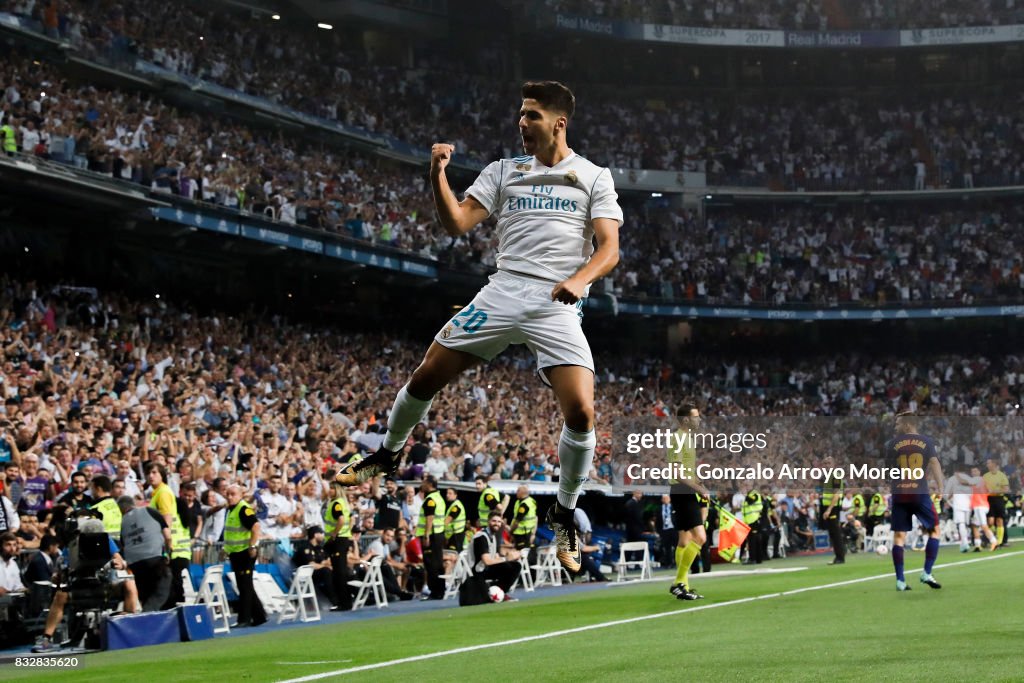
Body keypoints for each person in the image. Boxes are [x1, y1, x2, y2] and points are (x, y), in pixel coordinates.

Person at [334, 80, 623, 575]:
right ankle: (387, 453)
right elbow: (457, 223)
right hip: (503, 290)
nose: (521, 122)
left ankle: (564, 510)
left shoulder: (594, 176)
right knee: (426, 375)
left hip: (557, 301)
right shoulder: (503, 171)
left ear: (558, 122)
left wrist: (579, 280)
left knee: (581, 410)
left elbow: (609, 249)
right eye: (520, 114)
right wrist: (436, 175)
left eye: (531, 115)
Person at [887, 413, 944, 591]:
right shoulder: (926, 442)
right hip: (919, 493)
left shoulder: (891, 444)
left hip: (899, 494)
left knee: (899, 536)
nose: (895, 427)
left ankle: (900, 581)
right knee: (934, 531)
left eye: (897, 423)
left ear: (907, 425)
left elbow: (888, 471)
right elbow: (934, 463)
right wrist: (940, 487)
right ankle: (926, 572)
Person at [667, 403, 708, 600]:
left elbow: (686, 471)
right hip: (682, 491)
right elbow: (675, 472)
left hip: (685, 490)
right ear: (685, 420)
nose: (699, 420)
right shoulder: (678, 438)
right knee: (700, 537)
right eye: (696, 417)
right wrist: (697, 488)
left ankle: (683, 585)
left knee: (685, 540)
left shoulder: (688, 439)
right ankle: (678, 582)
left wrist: (700, 484)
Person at [223, 484, 267, 626]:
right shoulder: (232, 510)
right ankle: (260, 616)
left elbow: (256, 527)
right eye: (228, 494)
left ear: (241, 495)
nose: (230, 497)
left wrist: (252, 546)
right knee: (245, 585)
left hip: (245, 552)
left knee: (244, 586)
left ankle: (244, 619)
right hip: (236, 552)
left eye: (233, 494)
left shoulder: (243, 509)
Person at [118, 496, 172, 611]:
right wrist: (167, 553)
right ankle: (148, 613)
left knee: (146, 593)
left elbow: (123, 544)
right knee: (163, 584)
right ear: (133, 504)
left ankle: (150, 622)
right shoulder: (149, 510)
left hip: (135, 563)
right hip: (154, 557)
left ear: (121, 510)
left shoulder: (123, 522)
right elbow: (167, 535)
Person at [469, 511, 520, 600]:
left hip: (486, 568)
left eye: (499, 522)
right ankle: (495, 592)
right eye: (494, 521)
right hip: (478, 571)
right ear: (488, 521)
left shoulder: (492, 536)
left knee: (515, 566)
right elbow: (487, 561)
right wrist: (506, 558)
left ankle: (499, 592)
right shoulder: (481, 537)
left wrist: (510, 558)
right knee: (510, 566)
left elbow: (496, 557)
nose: (497, 524)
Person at [322, 480, 354, 611]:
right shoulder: (343, 503)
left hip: (337, 541)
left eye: (332, 489)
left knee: (339, 573)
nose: (330, 491)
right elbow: (351, 519)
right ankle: (346, 601)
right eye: (329, 488)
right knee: (341, 571)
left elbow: (341, 519)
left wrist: (334, 534)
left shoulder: (336, 504)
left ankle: (344, 603)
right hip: (343, 538)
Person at [416, 475, 446, 600]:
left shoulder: (430, 500)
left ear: (429, 484)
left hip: (431, 535)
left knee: (431, 565)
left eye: (424, 482)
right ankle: (440, 590)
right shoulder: (439, 497)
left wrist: (426, 535)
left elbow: (429, 518)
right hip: (439, 534)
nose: (422, 485)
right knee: (438, 563)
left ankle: (434, 592)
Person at [293, 526, 335, 605]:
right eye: (321, 533)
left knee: (338, 570)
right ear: (315, 535)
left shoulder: (319, 548)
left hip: (316, 573)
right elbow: (311, 565)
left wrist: (325, 564)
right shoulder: (305, 547)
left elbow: (327, 560)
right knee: (326, 571)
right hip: (305, 575)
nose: (323, 536)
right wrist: (323, 565)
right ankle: (333, 600)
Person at [820, 456, 846, 565]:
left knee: (836, 532)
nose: (827, 465)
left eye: (829, 463)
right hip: (828, 507)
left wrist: (829, 509)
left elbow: (836, 494)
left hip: (833, 508)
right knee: (833, 532)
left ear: (833, 464)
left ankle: (840, 557)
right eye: (825, 463)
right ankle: (839, 555)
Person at [983, 458, 1009, 548]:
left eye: (988, 463)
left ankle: (999, 542)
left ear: (994, 464)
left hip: (998, 499)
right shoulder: (985, 476)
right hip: (988, 499)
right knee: (990, 521)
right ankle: (991, 539)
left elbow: (1006, 489)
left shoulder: (1002, 476)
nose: (987, 465)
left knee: (999, 520)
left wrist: (993, 491)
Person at [508, 484, 537, 551]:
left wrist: (511, 531)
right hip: (528, 532)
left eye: (518, 490)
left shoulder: (524, 505)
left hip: (521, 534)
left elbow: (517, 521)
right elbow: (536, 517)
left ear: (523, 492)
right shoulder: (530, 501)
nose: (516, 492)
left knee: (521, 553)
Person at [443, 488, 467, 552]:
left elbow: (447, 521)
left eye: (450, 493)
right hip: (452, 535)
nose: (447, 495)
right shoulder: (452, 505)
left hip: (456, 535)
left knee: (453, 555)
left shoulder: (456, 506)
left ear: (455, 495)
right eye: (447, 493)